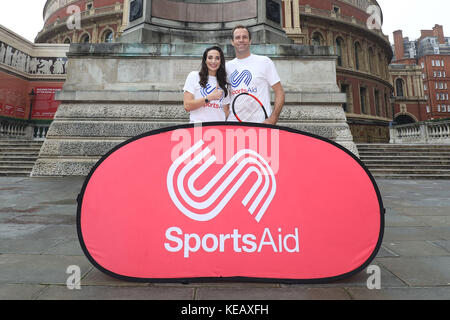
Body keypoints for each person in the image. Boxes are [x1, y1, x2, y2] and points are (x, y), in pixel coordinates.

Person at [225, 25, 285, 125]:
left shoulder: (264, 62)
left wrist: (273, 118)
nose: (241, 40)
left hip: (261, 123)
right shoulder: (226, 67)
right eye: (237, 37)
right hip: (235, 125)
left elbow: (279, 92)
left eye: (244, 37)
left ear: (250, 41)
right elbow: (224, 97)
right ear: (232, 42)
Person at [183, 46, 230, 123]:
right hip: (198, 127)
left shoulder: (224, 82)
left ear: (221, 61)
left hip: (218, 129)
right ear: (205, 60)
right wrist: (209, 98)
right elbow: (187, 106)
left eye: (217, 58)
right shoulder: (194, 76)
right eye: (210, 58)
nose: (213, 61)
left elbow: (226, 111)